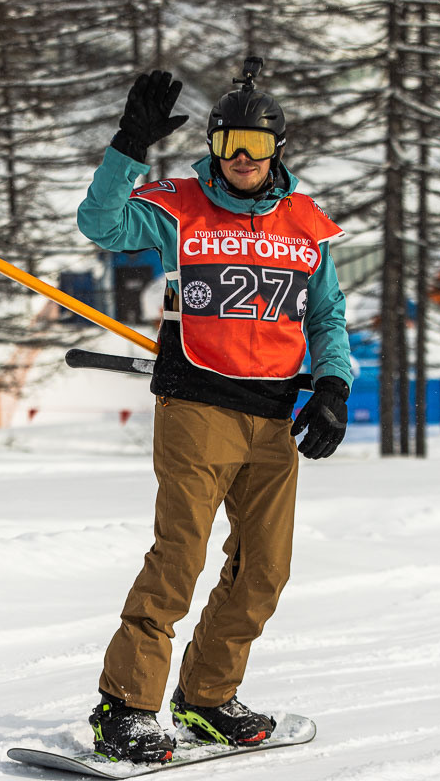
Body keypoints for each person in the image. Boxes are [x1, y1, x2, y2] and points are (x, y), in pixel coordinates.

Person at [76, 57, 352, 764]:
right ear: (214, 147)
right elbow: (101, 224)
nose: (242, 160)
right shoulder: (181, 205)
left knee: (264, 569)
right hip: (196, 404)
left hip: (272, 417)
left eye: (256, 148)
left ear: (278, 151)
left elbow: (326, 318)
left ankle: (205, 700)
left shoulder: (306, 225)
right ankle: (126, 707)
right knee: (179, 557)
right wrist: (127, 146)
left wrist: (333, 387)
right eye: (229, 145)